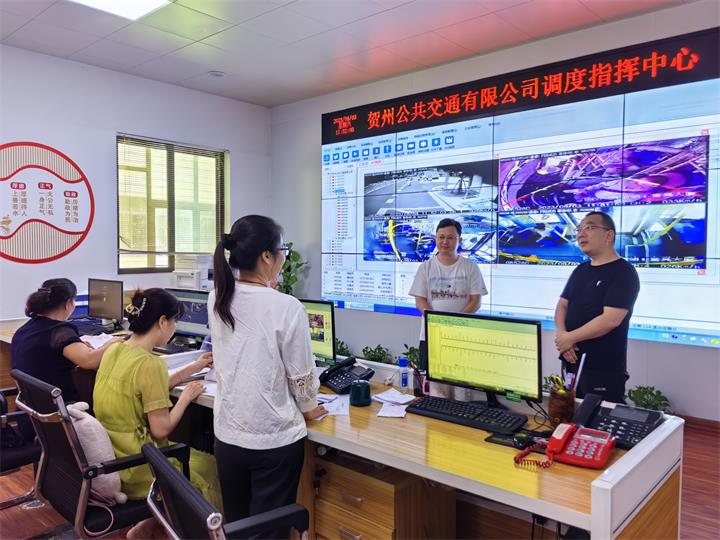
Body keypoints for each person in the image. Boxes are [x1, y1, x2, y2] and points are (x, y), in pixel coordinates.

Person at [209, 214, 326, 532]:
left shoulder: (218, 297)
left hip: (228, 436)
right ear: (265, 256)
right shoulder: (287, 307)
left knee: (238, 527)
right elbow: (302, 377)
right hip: (273, 441)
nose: (284, 256)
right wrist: (310, 408)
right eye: (282, 249)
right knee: (269, 532)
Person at [92, 288, 221, 537]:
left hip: (114, 458)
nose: (174, 328)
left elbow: (143, 389)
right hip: (140, 467)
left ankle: (150, 525)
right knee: (209, 465)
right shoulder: (150, 365)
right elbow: (161, 429)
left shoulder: (115, 349)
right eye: (174, 322)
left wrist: (193, 368)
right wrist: (185, 398)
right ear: (162, 322)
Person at [554, 211, 640, 403]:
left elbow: (610, 320)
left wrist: (569, 338)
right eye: (579, 229)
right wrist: (562, 336)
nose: (581, 234)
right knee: (570, 414)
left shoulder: (624, 272)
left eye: (590, 228)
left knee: (597, 419)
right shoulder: (580, 270)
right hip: (571, 361)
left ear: (609, 235)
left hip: (602, 369)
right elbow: (562, 305)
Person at [11, 279, 121, 425]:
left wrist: (79, 345)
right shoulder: (59, 331)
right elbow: (89, 361)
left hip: (32, 416)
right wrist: (112, 343)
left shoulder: (25, 329)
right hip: (61, 417)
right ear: (68, 303)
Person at [409, 218, 488, 379]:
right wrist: (437, 322)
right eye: (441, 237)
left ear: (459, 240)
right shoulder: (425, 267)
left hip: (461, 337)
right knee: (430, 383)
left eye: (451, 237)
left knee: (461, 382)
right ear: (436, 239)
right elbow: (420, 301)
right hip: (431, 336)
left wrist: (453, 323)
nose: (445, 241)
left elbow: (475, 301)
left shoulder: (471, 267)